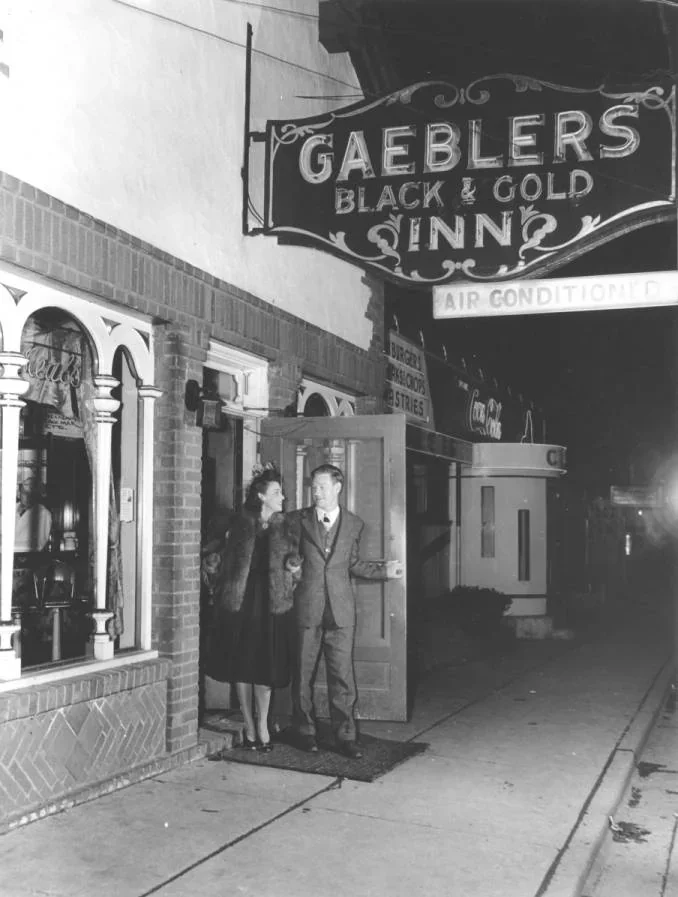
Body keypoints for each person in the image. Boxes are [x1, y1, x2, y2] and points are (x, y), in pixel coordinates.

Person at [290, 463, 403, 759]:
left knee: (342, 677)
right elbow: (286, 558)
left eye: (322, 487)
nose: (316, 493)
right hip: (307, 609)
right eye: (313, 487)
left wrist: (385, 571)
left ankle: (345, 736)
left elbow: (353, 564)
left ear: (338, 487)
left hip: (340, 612)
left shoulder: (354, 524)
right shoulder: (296, 520)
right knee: (303, 675)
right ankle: (305, 732)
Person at [202, 465, 301, 752]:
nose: (282, 497)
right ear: (261, 496)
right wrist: (214, 568)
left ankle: (263, 725)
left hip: (272, 606)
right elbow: (215, 558)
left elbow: (295, 565)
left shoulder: (287, 526)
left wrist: (294, 572)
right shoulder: (239, 524)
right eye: (276, 492)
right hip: (242, 605)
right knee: (243, 668)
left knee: (266, 669)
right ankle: (248, 725)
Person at [15, 476, 52, 553]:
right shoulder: (7, 509)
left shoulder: (44, 514)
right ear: (18, 494)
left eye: (32, 494)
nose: (28, 497)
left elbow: (38, 545)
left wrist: (6, 546)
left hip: (25, 560)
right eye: (25, 493)